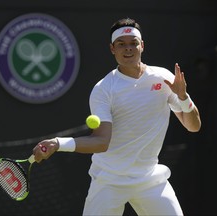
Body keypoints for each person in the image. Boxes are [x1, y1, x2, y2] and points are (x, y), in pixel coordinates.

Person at [32, 18, 201, 216]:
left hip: (149, 178)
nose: (128, 49)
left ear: (142, 46)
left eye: (133, 43)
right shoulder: (103, 89)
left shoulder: (163, 78)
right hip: (109, 180)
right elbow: (102, 142)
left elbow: (193, 126)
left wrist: (183, 97)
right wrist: (58, 143)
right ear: (112, 48)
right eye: (121, 44)